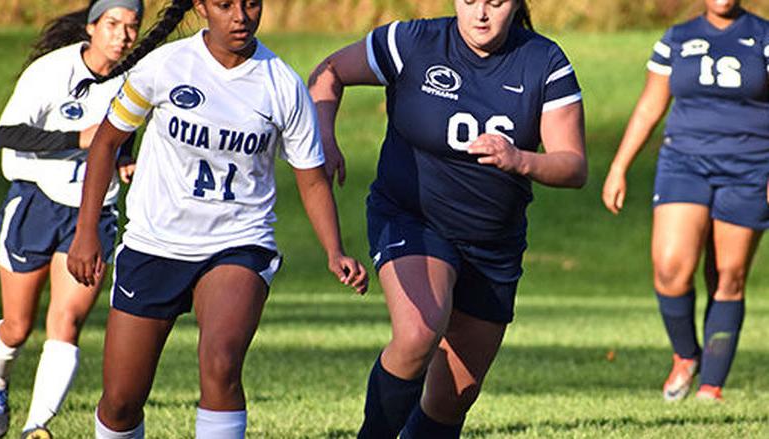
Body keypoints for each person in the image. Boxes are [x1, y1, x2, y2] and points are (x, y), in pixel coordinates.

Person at [66, 0, 368, 437]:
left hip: (238, 242)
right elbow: (106, 143)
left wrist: (334, 250)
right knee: (120, 401)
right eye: (225, 5)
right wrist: (86, 232)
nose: (240, 16)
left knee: (222, 364)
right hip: (155, 243)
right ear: (204, 7)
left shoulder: (281, 84)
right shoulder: (165, 66)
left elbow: (312, 179)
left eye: (251, 4)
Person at [309, 0, 587, 436]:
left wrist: (518, 159)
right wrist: (323, 134)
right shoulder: (413, 42)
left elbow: (573, 165)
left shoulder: (544, 61)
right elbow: (329, 72)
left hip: (492, 243)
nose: (480, 13)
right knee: (419, 334)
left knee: (452, 397)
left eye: (495, 3)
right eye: (469, 0)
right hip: (412, 218)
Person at [602, 0, 769, 402]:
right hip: (684, 163)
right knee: (670, 267)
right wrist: (619, 166)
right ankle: (684, 355)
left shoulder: (764, 37)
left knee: (728, 275)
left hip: (750, 167)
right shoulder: (677, 38)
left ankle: (711, 386)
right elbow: (649, 106)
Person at [0, 1, 142, 437]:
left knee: (66, 321)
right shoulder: (51, 71)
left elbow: (131, 127)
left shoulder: (134, 79)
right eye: (113, 24)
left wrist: (125, 159)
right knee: (17, 327)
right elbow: (8, 133)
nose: (122, 36)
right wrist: (79, 138)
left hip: (93, 213)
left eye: (132, 28)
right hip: (36, 199)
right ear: (92, 27)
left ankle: (36, 427)